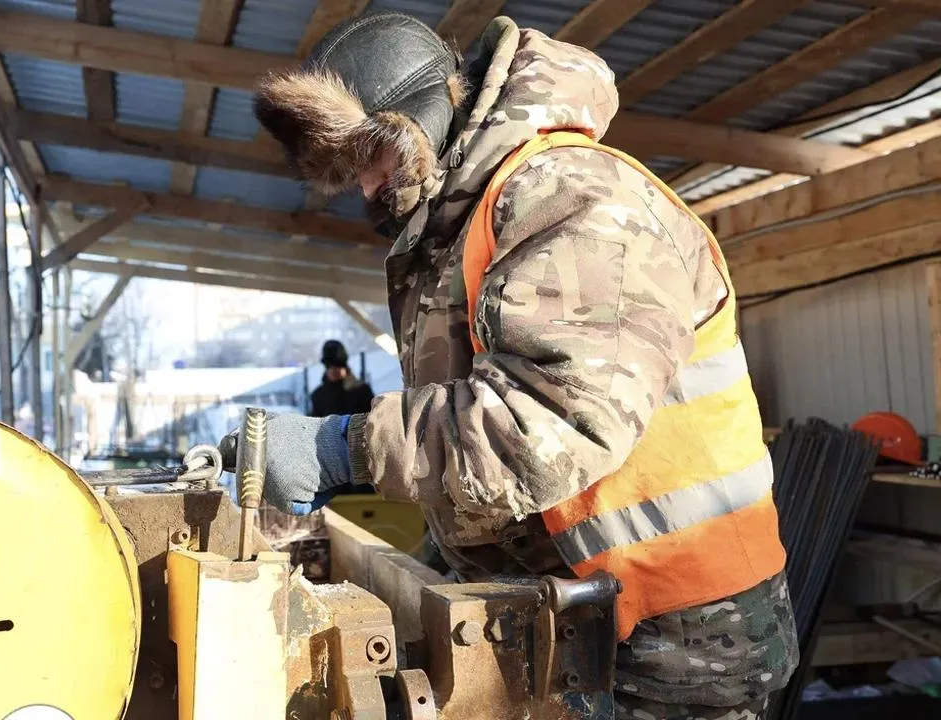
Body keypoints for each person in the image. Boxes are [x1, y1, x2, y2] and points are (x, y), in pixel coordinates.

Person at [225, 10, 799, 720]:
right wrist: (439, 565)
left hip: (676, 635)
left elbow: (549, 422)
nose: (367, 191)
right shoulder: (471, 225)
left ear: (413, 124)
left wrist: (343, 448)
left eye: (367, 161)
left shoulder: (571, 197)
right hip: (584, 610)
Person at [309, 339, 374, 416]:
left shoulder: (362, 391)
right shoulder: (318, 395)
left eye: (337, 365)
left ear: (344, 366)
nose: (333, 370)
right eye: (329, 366)